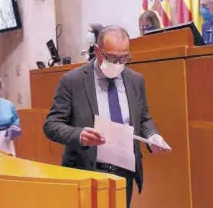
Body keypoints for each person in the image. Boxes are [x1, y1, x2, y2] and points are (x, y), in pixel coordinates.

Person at [43, 25, 171, 208]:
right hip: (87, 170)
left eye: (124, 57)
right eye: (112, 57)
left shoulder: (136, 80)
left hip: (124, 172)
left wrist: (152, 136)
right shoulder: (72, 81)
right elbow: (51, 125)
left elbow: (143, 117)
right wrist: (79, 135)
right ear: (97, 50)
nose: (118, 63)